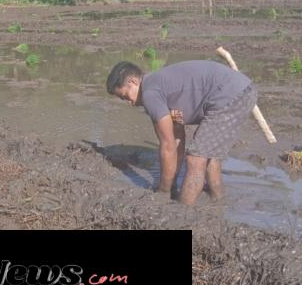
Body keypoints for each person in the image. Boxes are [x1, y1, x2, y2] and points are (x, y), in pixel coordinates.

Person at [106, 60, 257, 205]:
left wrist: (164, 191)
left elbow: (167, 146)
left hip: (229, 95)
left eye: (125, 96)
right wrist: (171, 183)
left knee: (195, 159)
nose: (129, 103)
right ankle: (218, 201)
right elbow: (177, 137)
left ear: (133, 82)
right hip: (242, 90)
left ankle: (182, 216)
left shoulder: (149, 93)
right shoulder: (157, 86)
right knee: (211, 157)